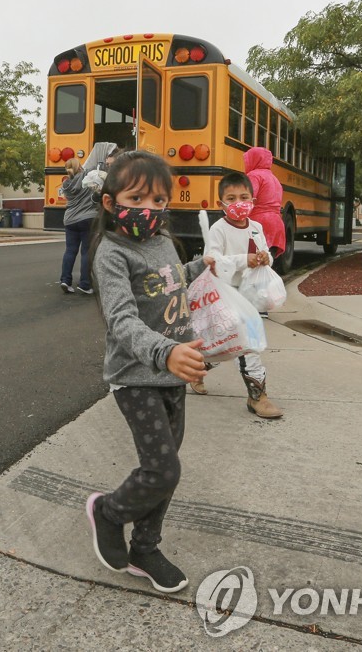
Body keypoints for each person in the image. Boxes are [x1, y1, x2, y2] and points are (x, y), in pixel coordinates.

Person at [85, 150, 216, 594]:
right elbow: (122, 322)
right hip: (138, 375)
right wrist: (166, 354)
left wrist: (201, 269)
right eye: (137, 198)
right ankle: (108, 512)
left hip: (172, 375)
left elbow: (171, 279)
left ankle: (145, 547)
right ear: (110, 202)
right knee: (161, 470)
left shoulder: (160, 241)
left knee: (167, 467)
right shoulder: (112, 252)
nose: (149, 210)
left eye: (159, 201)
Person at [197, 170, 283, 418]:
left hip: (250, 295)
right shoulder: (218, 229)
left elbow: (264, 255)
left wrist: (265, 259)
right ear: (220, 203)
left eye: (243, 197)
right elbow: (213, 261)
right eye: (231, 198)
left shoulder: (256, 227)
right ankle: (258, 396)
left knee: (231, 342)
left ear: (253, 200)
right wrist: (245, 260)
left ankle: (200, 366)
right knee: (248, 344)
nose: (238, 203)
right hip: (226, 294)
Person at [59, 142, 117, 293]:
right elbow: (98, 164)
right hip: (87, 219)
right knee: (86, 252)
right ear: (80, 167)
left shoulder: (66, 184)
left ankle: (65, 280)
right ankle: (85, 284)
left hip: (70, 220)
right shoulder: (88, 176)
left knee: (70, 250)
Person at [243, 146, 285, 259]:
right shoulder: (274, 178)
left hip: (259, 224)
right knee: (267, 263)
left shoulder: (253, 176)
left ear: (254, 159)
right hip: (277, 225)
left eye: (247, 160)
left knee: (253, 262)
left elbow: (248, 199)